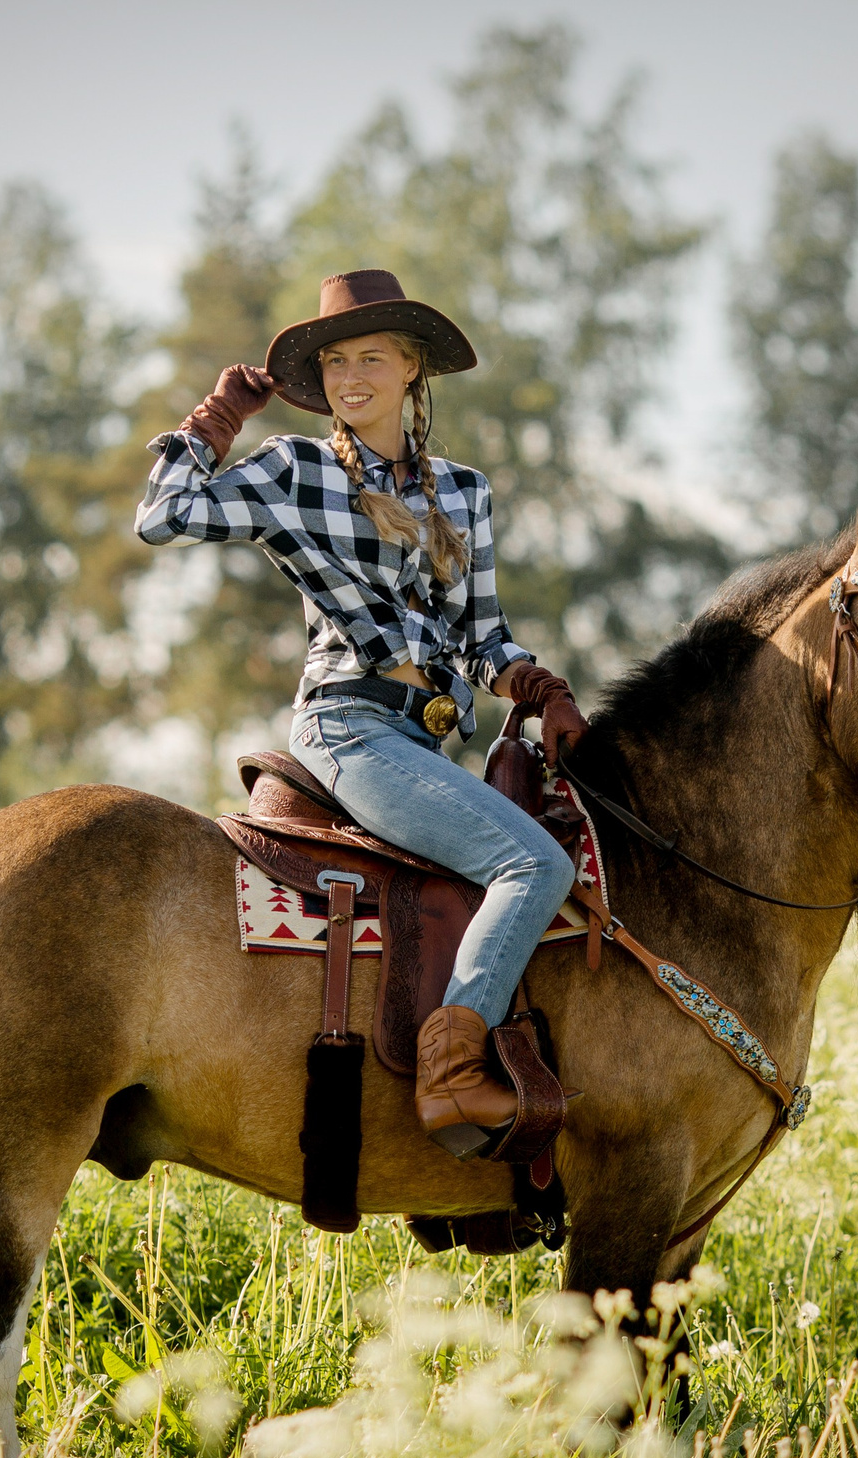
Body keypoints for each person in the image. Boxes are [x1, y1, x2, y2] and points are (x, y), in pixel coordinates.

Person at [136, 270, 589, 1155]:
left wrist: (540, 687)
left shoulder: (465, 491)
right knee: (533, 863)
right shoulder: (294, 469)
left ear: (413, 367)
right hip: (346, 726)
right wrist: (217, 420)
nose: (350, 377)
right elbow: (161, 516)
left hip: (426, 739)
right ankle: (452, 1071)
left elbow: (485, 639)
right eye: (336, 361)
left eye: (370, 358)